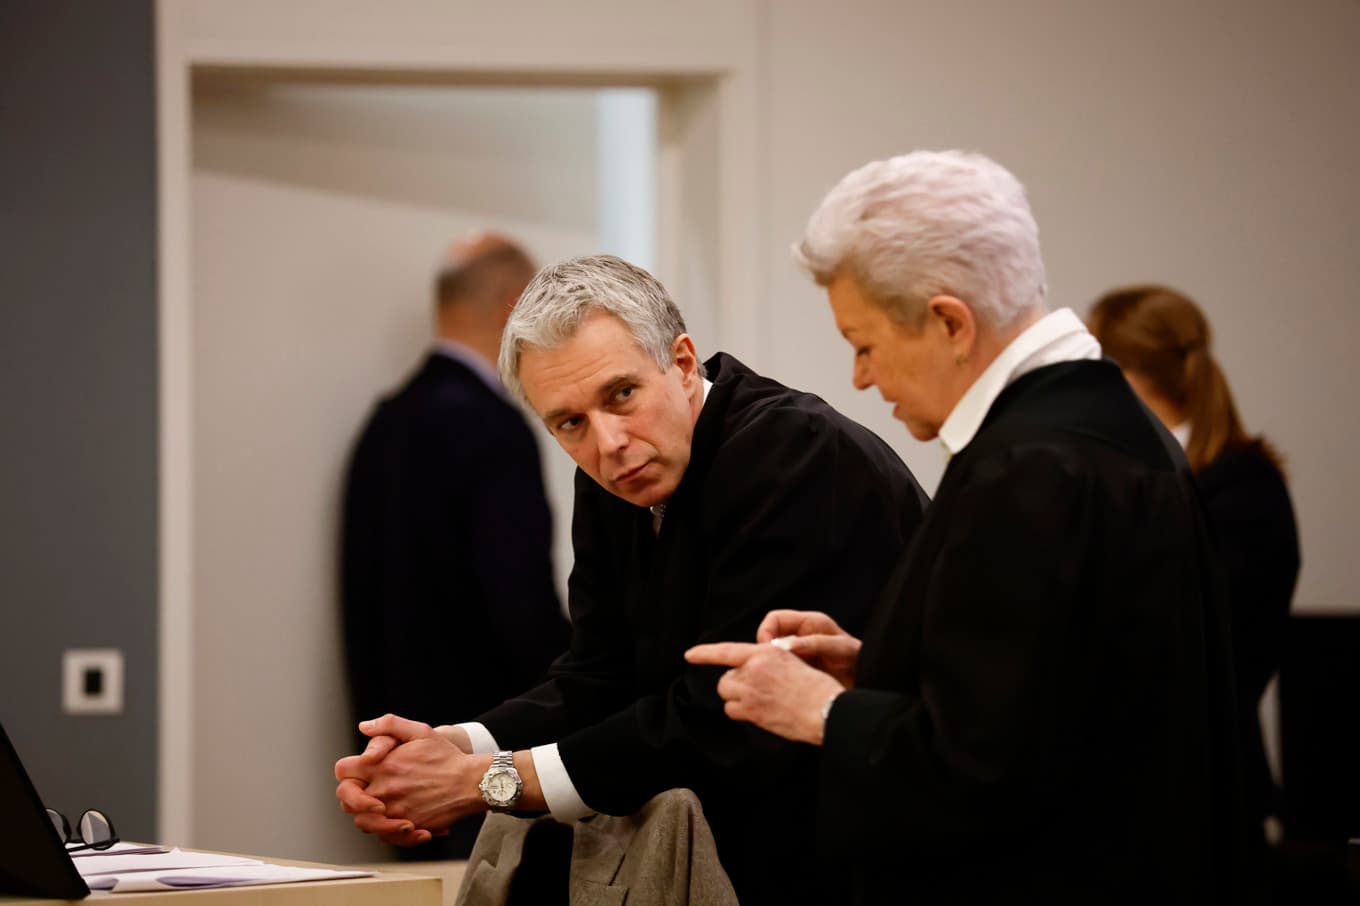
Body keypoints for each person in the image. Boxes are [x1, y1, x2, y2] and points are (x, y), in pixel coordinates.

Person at [688, 151, 1245, 904]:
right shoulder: (1105, 423)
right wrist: (883, 665)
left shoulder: (1032, 467)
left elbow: (987, 772)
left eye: (864, 345)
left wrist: (820, 710)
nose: (859, 378)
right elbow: (1059, 690)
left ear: (949, 322)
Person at [334, 254, 928, 905]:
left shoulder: (795, 455)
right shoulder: (620, 474)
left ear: (680, 362)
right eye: (569, 422)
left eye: (621, 394)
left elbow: (722, 716)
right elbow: (597, 675)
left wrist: (486, 780)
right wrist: (455, 745)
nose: (608, 443)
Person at [339, 233, 570, 858]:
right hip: (486, 758)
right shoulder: (492, 429)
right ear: (513, 308)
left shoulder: (384, 422)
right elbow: (520, 605)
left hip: (394, 754)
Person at [1088, 285, 1300, 860]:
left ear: (1121, 377)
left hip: (1201, 792)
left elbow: (1200, 643)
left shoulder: (1240, 490)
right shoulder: (1142, 475)